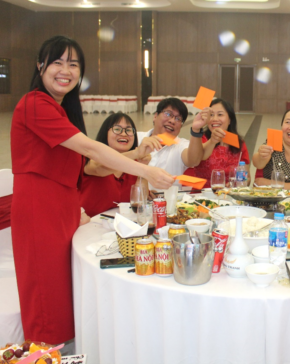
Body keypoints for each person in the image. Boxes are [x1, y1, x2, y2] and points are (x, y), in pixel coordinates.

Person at [11, 36, 174, 346]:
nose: (66, 70)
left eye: (73, 64)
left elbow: (76, 167)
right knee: (45, 299)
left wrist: (73, 208)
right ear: (40, 65)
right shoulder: (34, 103)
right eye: (57, 62)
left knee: (63, 293)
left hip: (61, 211)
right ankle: (43, 355)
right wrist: (146, 170)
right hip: (38, 213)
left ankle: (63, 350)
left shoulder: (60, 110)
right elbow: (91, 151)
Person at [79, 113, 160, 217]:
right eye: (117, 129)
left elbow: (140, 203)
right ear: (105, 133)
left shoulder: (136, 164)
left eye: (128, 130)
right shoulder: (90, 158)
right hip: (89, 224)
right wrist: (136, 153)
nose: (124, 134)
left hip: (123, 224)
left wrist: (143, 169)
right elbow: (99, 168)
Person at [144, 97, 208, 182]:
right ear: (155, 116)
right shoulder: (136, 138)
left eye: (178, 119)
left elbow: (193, 161)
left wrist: (196, 130)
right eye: (168, 114)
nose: (172, 121)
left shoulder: (181, 145)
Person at [189, 98, 250, 188]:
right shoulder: (199, 138)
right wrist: (212, 141)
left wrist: (240, 183)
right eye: (211, 115)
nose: (215, 119)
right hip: (202, 193)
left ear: (230, 119)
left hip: (230, 193)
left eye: (220, 114)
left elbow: (247, 178)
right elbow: (194, 160)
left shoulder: (238, 142)